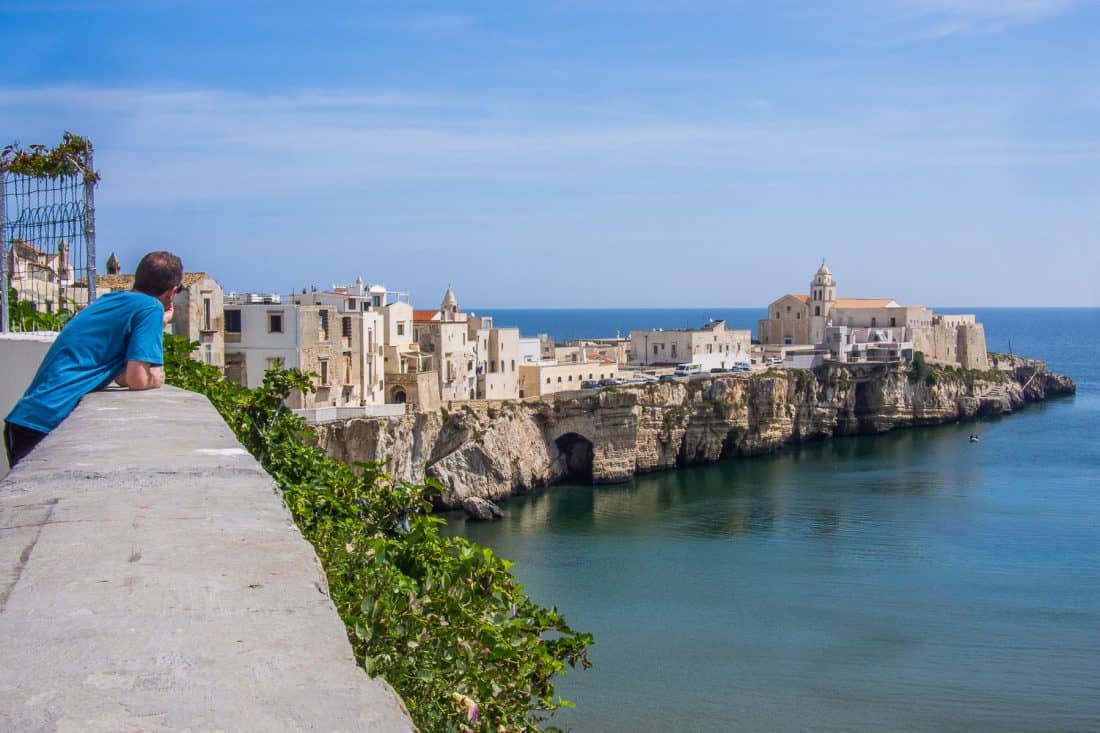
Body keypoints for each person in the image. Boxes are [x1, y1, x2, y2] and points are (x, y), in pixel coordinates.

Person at [3, 251, 183, 469]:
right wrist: (156, 378)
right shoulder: (150, 307)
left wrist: (158, 325)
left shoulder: (110, 300)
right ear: (172, 292)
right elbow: (137, 380)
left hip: (27, 419)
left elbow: (120, 376)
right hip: (47, 422)